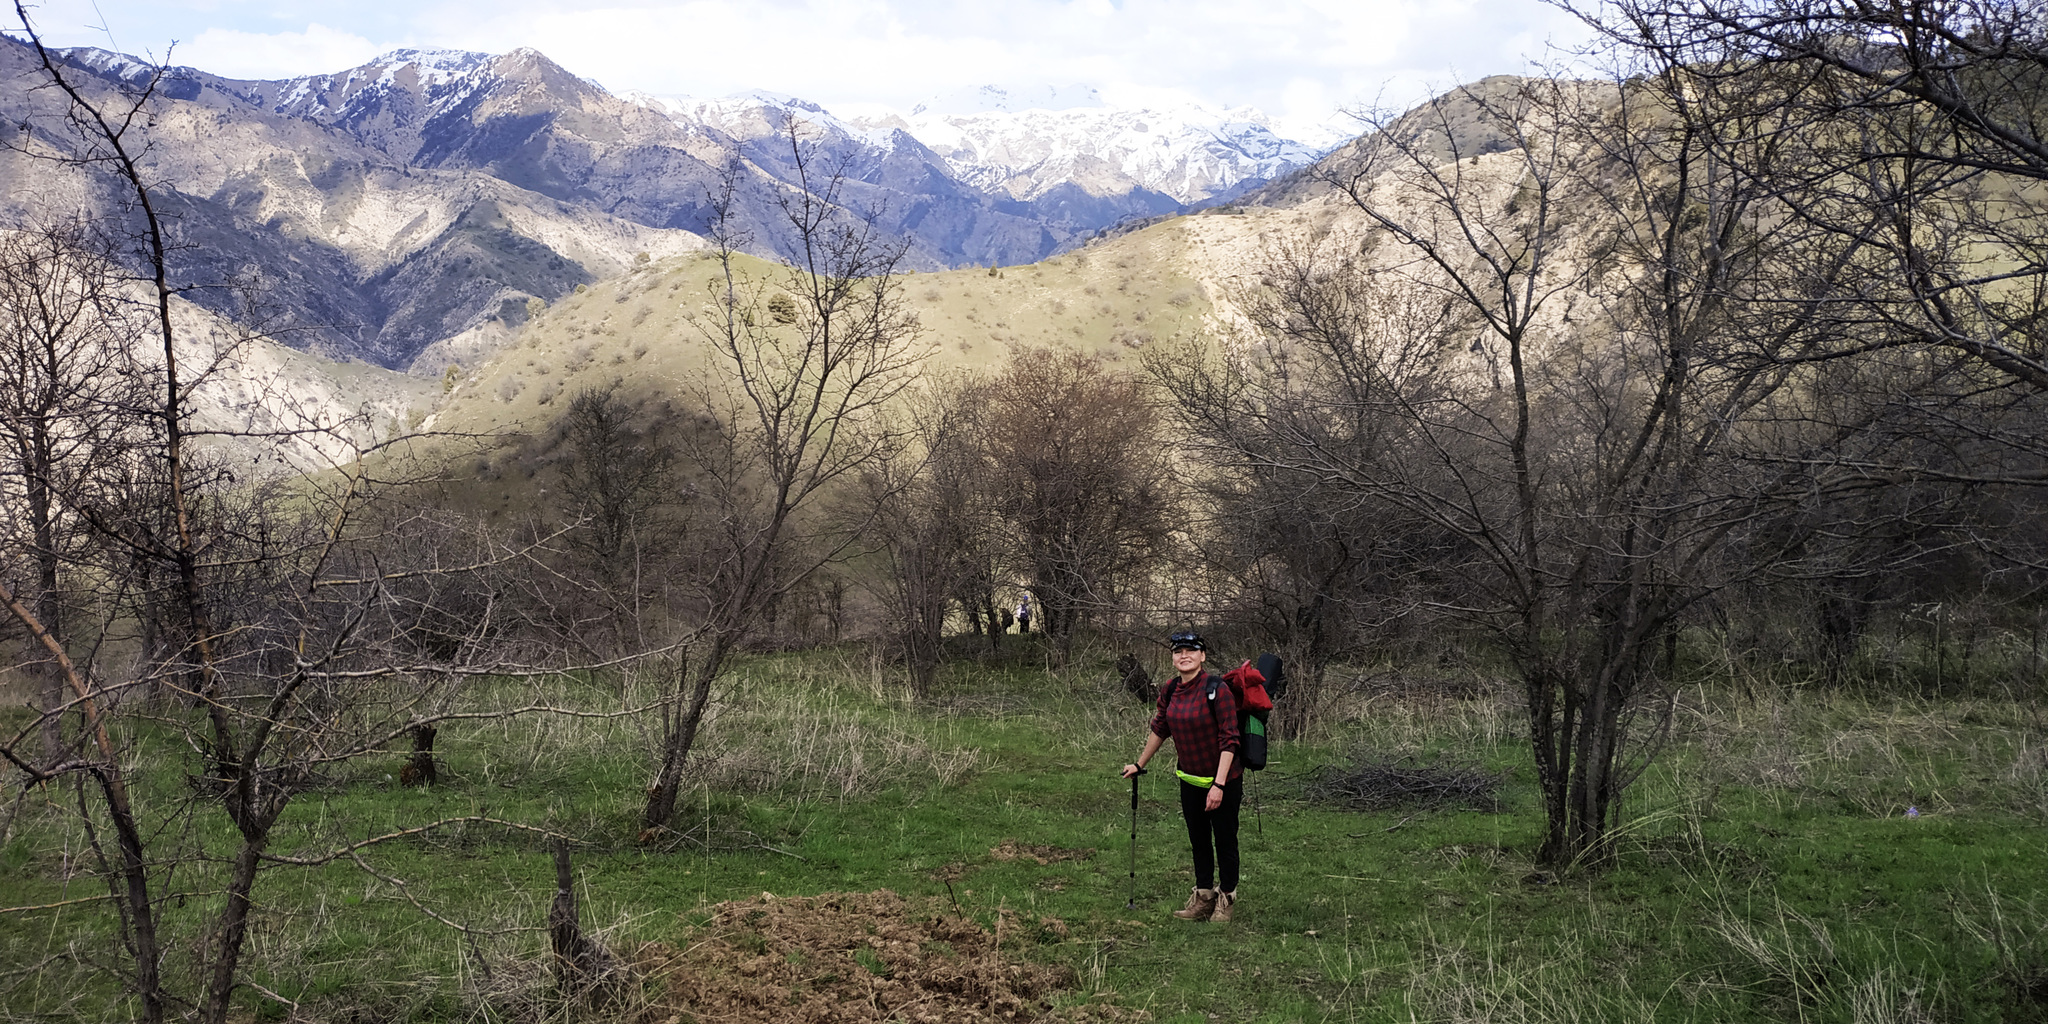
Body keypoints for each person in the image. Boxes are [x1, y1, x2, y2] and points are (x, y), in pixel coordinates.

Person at [1122, 630, 1241, 922]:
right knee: (1198, 840)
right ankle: (1203, 898)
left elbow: (1230, 740)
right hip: (1189, 780)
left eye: (1190, 651)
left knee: (1224, 840)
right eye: (1178, 652)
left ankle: (1226, 898)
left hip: (1223, 782)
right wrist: (1139, 764)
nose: (1183, 656)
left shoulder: (1216, 689)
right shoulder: (1171, 689)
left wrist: (1219, 785)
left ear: (1202, 656)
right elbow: (1160, 728)